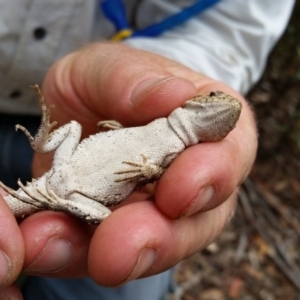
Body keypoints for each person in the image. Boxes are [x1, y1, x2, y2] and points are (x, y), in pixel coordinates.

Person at [0, 1, 294, 299]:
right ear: (197, 102)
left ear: (216, 134)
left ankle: (56, 203)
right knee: (73, 130)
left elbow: (229, 39)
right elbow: (140, 138)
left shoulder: (180, 146)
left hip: (74, 192)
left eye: (228, 122)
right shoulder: (164, 119)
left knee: (114, 242)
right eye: (216, 97)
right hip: (64, 164)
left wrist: (150, 170)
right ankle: (42, 149)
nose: (222, 106)